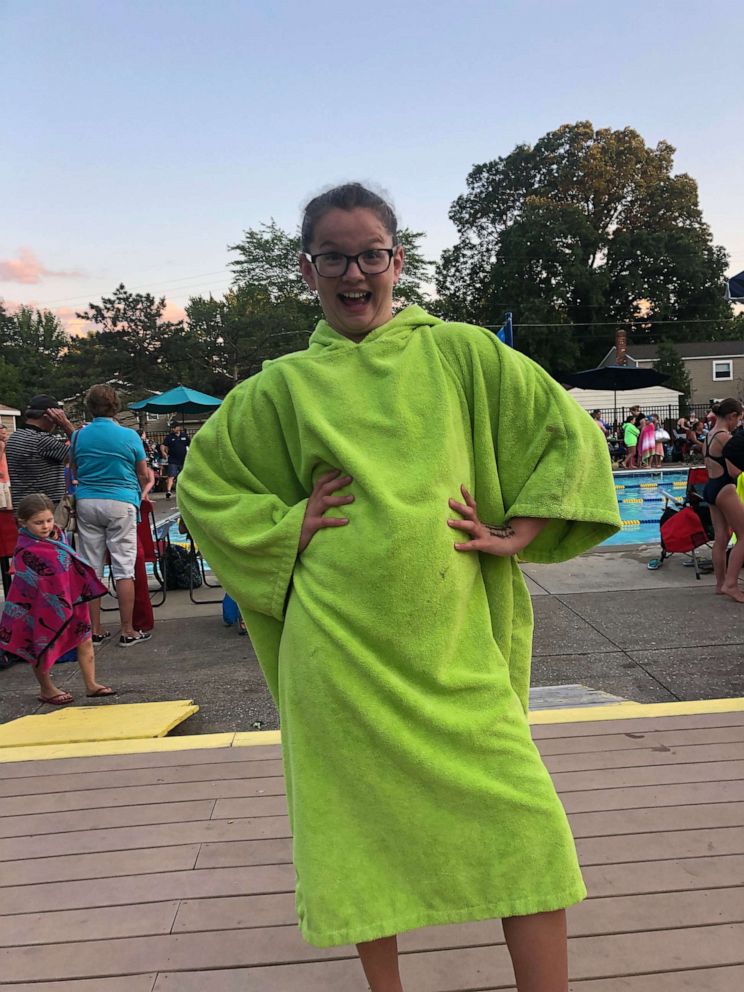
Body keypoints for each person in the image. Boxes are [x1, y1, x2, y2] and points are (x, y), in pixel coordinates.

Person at [178, 183, 621, 992]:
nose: (356, 274)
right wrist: (288, 528)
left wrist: (518, 528)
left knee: (526, 825)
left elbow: (564, 429)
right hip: (339, 652)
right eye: (335, 257)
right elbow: (203, 486)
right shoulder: (281, 386)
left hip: (453, 642)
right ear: (307, 270)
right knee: (357, 835)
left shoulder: (461, 353)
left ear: (398, 260)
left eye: (371, 254)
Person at [0, 493, 114, 703]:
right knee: (42, 644)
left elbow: (70, 567)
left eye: (49, 520)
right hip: (41, 607)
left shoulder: (59, 537)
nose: (45, 526)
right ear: (23, 523)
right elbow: (29, 583)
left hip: (73, 600)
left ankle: (91, 684)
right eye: (38, 522)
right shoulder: (26, 549)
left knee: (85, 640)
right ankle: (47, 688)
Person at [73, 385, 153, 647]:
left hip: (87, 500)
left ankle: (94, 630)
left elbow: (74, 467)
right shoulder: (129, 436)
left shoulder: (78, 437)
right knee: (123, 567)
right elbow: (142, 473)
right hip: (121, 501)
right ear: (115, 406)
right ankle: (128, 629)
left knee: (91, 566)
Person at [701, 398, 744, 602]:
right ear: (732, 416)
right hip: (725, 488)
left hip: (710, 487)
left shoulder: (709, 436)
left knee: (721, 538)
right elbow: (735, 470)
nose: (738, 424)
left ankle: (720, 584)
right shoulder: (725, 437)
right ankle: (731, 584)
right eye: (739, 419)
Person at [4, 394, 76, 508]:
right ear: (48, 417)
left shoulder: (14, 437)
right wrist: (66, 425)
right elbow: (81, 453)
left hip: (23, 506)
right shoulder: (42, 441)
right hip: (46, 508)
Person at [160, 421, 190, 499]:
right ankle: (168, 491)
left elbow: (190, 444)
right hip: (173, 460)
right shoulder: (169, 437)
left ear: (178, 428)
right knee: (171, 475)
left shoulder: (184, 436)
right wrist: (163, 452)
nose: (173, 429)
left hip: (183, 460)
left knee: (183, 476)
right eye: (172, 428)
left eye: (174, 427)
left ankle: (184, 490)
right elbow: (163, 445)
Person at [0, 425, 11, 510]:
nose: (5, 435)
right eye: (3, 433)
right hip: (1, 475)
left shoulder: (3, 444)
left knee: (7, 499)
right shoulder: (1, 444)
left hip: (5, 474)